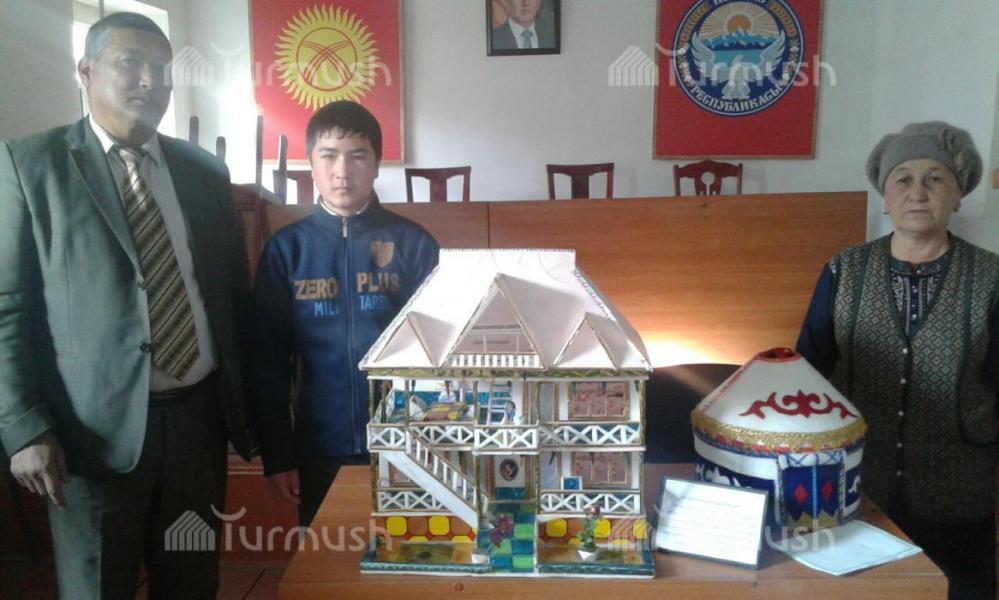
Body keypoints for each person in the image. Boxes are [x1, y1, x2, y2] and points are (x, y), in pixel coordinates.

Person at [0, 12, 254, 599]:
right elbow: (7, 305)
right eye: (130, 63)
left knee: (192, 584)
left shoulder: (204, 172)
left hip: (197, 424)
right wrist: (23, 427)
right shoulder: (30, 166)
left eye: (162, 68)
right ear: (86, 71)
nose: (150, 80)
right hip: (90, 435)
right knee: (97, 588)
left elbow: (231, 296)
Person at [796, 121, 997, 600]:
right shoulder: (844, 269)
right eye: (903, 179)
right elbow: (808, 371)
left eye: (935, 178)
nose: (918, 192)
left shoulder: (991, 278)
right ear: (885, 197)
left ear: (958, 195)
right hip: (860, 488)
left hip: (958, 491)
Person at [250, 100, 439, 527]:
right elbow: (267, 363)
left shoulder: (414, 245)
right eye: (329, 155)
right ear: (311, 164)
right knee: (329, 557)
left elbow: (438, 356)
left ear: (376, 164)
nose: (342, 171)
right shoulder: (287, 251)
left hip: (406, 445)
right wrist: (278, 454)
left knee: (411, 553)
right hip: (319, 448)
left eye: (358, 156)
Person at [491, 0, 556, 51]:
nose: (526, 3)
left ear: (539, 3)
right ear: (507, 3)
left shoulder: (551, 39)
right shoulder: (494, 39)